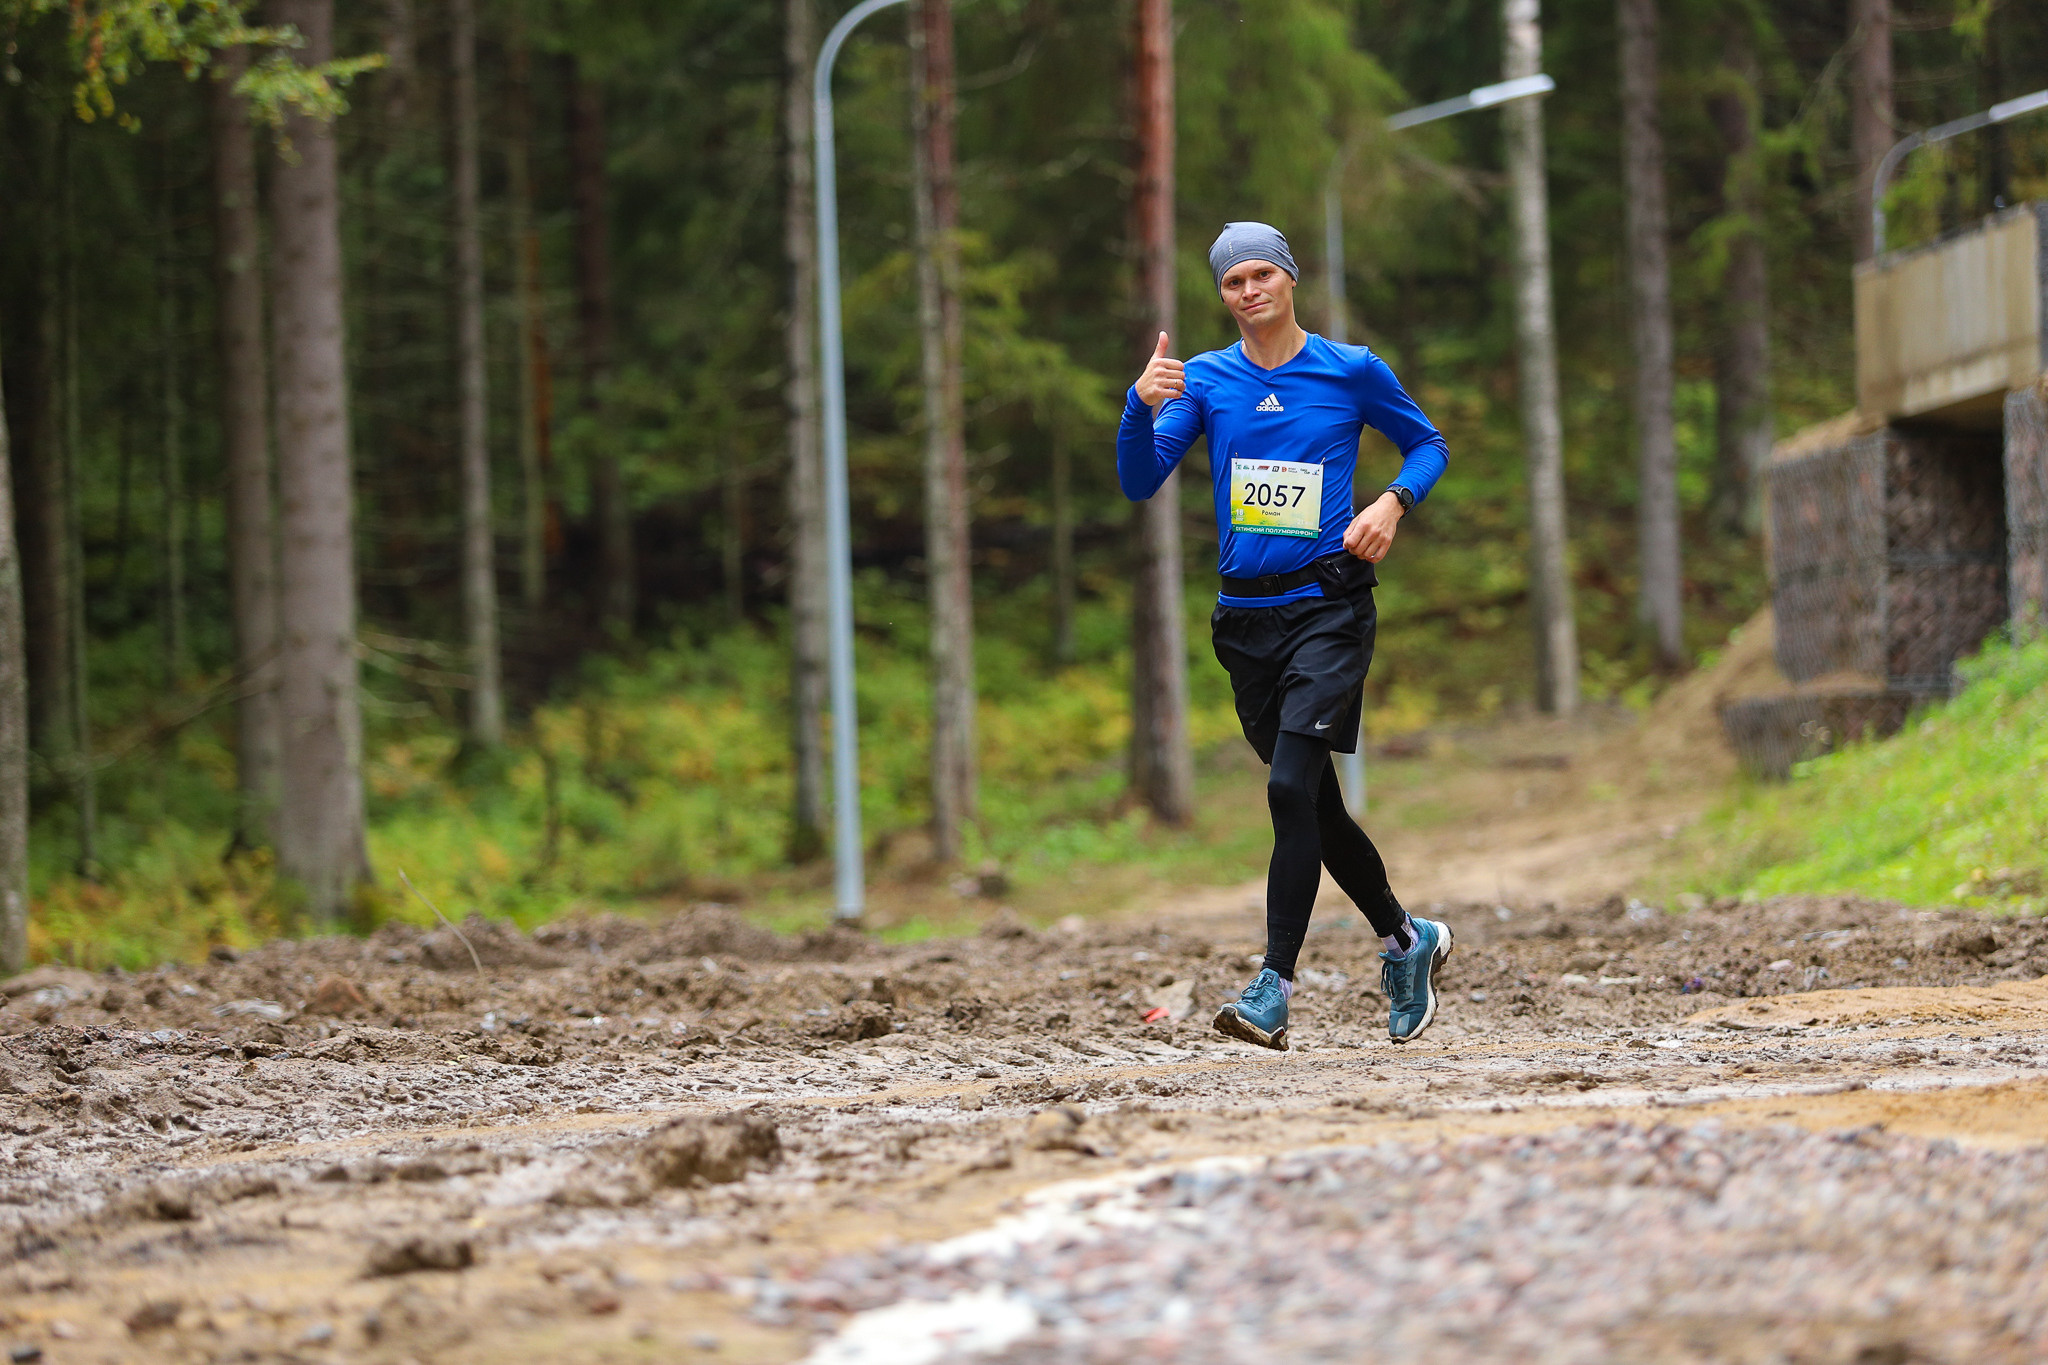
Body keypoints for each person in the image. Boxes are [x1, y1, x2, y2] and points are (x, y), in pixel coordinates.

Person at [1117, 221, 1453, 1049]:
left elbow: (1428, 445)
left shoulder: (1350, 368)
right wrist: (1138, 406)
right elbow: (1140, 478)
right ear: (1222, 295)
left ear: (1290, 278)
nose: (1250, 291)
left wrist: (1391, 503)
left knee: (1285, 790)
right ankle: (1407, 940)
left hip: (1328, 609)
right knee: (1312, 801)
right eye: (1234, 282)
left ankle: (1273, 984)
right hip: (1245, 621)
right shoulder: (1205, 380)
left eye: (1262, 274)